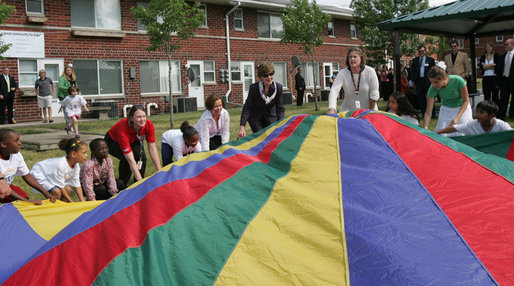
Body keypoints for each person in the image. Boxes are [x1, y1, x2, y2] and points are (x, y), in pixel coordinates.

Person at [105, 105, 161, 185]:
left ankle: (138, 181)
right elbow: (130, 159)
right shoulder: (123, 128)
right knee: (126, 159)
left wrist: (160, 171)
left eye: (144, 116)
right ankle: (123, 184)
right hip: (113, 141)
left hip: (134, 139)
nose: (142, 120)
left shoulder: (148, 125)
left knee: (141, 158)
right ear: (131, 118)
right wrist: (140, 182)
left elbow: (152, 148)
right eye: (138, 117)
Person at [0, 129, 55, 204]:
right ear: (3, 144)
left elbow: (27, 176)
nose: (20, 143)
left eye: (19, 140)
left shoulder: (16, 155)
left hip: (5, 187)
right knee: (22, 200)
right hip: (3, 188)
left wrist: (47, 194)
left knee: (23, 197)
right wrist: (28, 202)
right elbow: (5, 188)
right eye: (16, 141)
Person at [30, 138, 87, 202]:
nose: (86, 155)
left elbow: (77, 185)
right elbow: (61, 187)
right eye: (84, 153)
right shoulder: (61, 165)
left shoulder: (76, 166)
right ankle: (51, 210)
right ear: (73, 154)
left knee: (68, 189)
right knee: (57, 192)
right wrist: (71, 202)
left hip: (50, 175)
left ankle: (63, 209)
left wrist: (83, 202)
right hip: (39, 173)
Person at [423, 66, 473, 137]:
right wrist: (425, 128)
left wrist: (457, 117)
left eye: (436, 82)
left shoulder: (458, 80)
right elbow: (428, 113)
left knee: (465, 132)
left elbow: (466, 100)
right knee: (442, 135)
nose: (434, 85)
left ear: (444, 78)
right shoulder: (432, 89)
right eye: (431, 82)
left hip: (462, 108)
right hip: (446, 109)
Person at [238, 62, 284, 137]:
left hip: (271, 118)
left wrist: (280, 124)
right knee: (261, 138)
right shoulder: (254, 88)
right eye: (266, 75)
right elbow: (247, 108)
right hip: (256, 118)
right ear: (261, 77)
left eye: (271, 74)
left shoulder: (278, 88)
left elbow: (280, 109)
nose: (269, 77)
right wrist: (242, 127)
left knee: (273, 137)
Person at [327, 47, 379, 113]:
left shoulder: (370, 72)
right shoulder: (342, 73)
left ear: (361, 58)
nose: (352, 59)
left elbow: (374, 94)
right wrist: (331, 108)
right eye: (350, 57)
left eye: (355, 57)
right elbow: (334, 91)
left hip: (368, 111)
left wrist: (370, 112)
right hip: (347, 112)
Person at [436, 100, 512, 135]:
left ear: (491, 115)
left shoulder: (502, 126)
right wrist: (436, 133)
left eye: (481, 113)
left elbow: (511, 135)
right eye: (477, 112)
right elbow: (455, 128)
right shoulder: (472, 124)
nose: (478, 115)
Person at [409, 45, 435, 115]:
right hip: (419, 81)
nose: (421, 53)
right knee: (421, 98)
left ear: (425, 51)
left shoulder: (430, 60)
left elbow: (433, 71)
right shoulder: (415, 60)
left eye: (422, 51)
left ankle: (432, 114)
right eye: (420, 51)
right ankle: (424, 113)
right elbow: (413, 71)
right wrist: (413, 81)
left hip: (428, 81)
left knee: (430, 97)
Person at [497, 38, 514, 120]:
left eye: (507, 44)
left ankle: (512, 114)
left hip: (513, 80)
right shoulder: (502, 56)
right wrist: (498, 81)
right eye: (505, 44)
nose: (505, 46)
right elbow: (499, 69)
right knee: (503, 99)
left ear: (512, 45)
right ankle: (501, 116)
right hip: (504, 80)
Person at [58, 65, 78, 131]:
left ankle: (69, 125)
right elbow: (60, 87)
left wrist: (78, 91)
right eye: (67, 70)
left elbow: (76, 86)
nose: (68, 72)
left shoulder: (73, 78)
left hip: (71, 97)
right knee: (67, 110)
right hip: (64, 96)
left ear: (72, 71)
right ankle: (69, 125)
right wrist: (70, 89)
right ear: (65, 71)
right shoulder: (62, 78)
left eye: (70, 70)